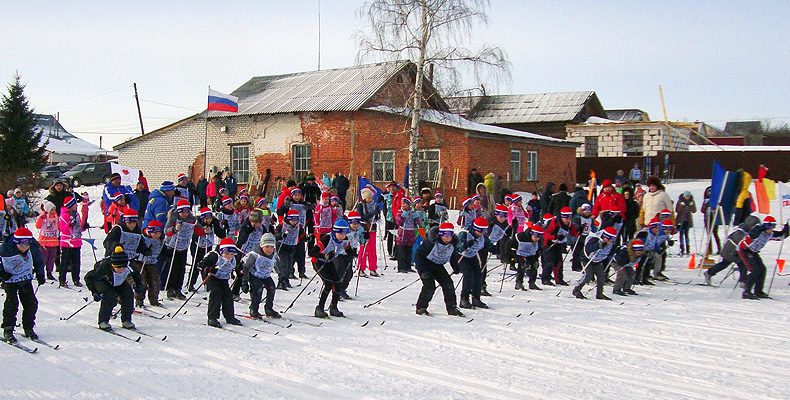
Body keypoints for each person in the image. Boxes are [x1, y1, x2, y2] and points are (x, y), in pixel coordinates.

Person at [1, 228, 45, 343]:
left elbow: (39, 260)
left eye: (27, 244)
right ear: (16, 243)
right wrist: (2, 273)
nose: (25, 247)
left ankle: (28, 327)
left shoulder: (32, 247)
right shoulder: (5, 248)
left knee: (31, 303)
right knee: (12, 303)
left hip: (25, 279)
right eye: (22, 244)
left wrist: (40, 273)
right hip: (10, 280)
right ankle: (8, 329)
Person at [85, 245, 145, 330]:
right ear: (113, 265)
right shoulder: (104, 267)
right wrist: (94, 291)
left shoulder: (129, 265)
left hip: (120, 281)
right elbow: (89, 277)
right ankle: (103, 321)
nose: (121, 269)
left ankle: (126, 320)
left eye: (123, 267)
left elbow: (136, 275)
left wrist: (138, 285)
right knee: (109, 296)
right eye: (118, 267)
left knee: (128, 294)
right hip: (104, 281)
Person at [414, 223, 465, 316]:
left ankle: (452, 308)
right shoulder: (430, 242)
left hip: (438, 265)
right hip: (425, 265)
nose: (447, 238)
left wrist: (456, 267)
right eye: (445, 236)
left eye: (449, 236)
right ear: (440, 235)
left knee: (448, 284)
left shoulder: (452, 244)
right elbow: (418, 256)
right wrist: (422, 270)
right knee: (429, 286)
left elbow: (453, 257)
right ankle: (421, 307)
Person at [734, 216, 788, 299]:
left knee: (762, 270)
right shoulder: (758, 231)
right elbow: (754, 233)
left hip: (753, 252)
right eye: (771, 227)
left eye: (774, 227)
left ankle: (758, 291)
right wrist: (762, 228)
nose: (772, 229)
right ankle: (746, 291)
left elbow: (781, 236)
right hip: (744, 250)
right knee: (755, 270)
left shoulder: (769, 233)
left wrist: (787, 229)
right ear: (766, 226)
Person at [310, 219, 353, 318]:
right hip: (318, 262)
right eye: (341, 233)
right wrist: (324, 256)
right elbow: (312, 252)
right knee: (328, 283)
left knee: (338, 283)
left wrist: (352, 254)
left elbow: (348, 249)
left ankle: (334, 307)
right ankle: (319, 308)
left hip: (329, 262)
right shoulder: (327, 239)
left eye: (345, 233)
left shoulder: (345, 240)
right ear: (335, 231)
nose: (343, 236)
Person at [199, 238, 243, 328]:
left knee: (228, 295)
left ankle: (229, 317)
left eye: (231, 254)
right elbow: (200, 266)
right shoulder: (214, 256)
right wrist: (209, 269)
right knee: (216, 292)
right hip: (212, 278)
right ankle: (212, 317)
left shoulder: (235, 258)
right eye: (226, 254)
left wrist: (239, 271)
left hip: (224, 279)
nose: (229, 256)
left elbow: (238, 266)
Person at [456, 217, 493, 309]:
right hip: (460, 256)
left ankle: (476, 298)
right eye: (480, 231)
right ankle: (464, 299)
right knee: (469, 274)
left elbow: (488, 245)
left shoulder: (483, 237)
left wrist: (495, 249)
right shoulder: (465, 234)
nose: (482, 233)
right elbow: (457, 246)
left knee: (478, 275)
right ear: (474, 229)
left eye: (484, 231)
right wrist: (465, 245)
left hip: (472, 257)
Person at [162, 200, 196, 300]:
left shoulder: (191, 219)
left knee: (181, 269)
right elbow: (166, 231)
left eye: (186, 212)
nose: (184, 214)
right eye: (182, 212)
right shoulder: (173, 218)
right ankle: (170, 288)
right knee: (172, 268)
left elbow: (197, 229)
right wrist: (174, 229)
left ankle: (178, 288)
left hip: (183, 246)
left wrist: (204, 230)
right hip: (172, 246)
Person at [242, 233, 281, 318]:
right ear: (262, 246)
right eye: (267, 247)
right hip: (254, 274)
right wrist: (244, 281)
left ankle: (269, 309)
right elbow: (246, 267)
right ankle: (254, 309)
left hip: (265, 275)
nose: (269, 250)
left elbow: (276, 265)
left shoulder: (273, 254)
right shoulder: (255, 254)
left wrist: (281, 274)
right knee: (258, 289)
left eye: (271, 247)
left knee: (271, 288)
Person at [572, 226, 617, 300]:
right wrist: (598, 246)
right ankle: (577, 290)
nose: (609, 241)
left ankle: (599, 294)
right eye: (608, 239)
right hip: (587, 259)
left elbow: (609, 253)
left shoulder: (610, 243)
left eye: (611, 239)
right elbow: (588, 249)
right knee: (588, 275)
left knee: (601, 276)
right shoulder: (595, 238)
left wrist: (615, 251)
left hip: (597, 261)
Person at [187, 208, 225, 292]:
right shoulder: (198, 222)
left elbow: (221, 234)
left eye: (209, 218)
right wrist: (203, 230)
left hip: (208, 246)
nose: (207, 220)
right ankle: (190, 283)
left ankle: (207, 283)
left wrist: (223, 227)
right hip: (197, 246)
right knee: (196, 265)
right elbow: (195, 235)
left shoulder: (214, 223)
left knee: (207, 265)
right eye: (206, 218)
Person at [541, 206, 577, 286]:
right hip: (548, 244)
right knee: (549, 261)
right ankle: (545, 279)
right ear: (562, 217)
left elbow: (574, 233)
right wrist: (555, 237)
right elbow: (545, 233)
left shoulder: (570, 224)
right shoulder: (554, 222)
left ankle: (559, 279)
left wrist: (580, 230)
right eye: (566, 218)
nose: (568, 220)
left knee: (559, 262)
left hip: (558, 244)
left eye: (569, 218)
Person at [355, 187, 381, 277]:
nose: (370, 199)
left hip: (372, 228)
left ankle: (373, 268)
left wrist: (377, 214)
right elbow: (361, 217)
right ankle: (361, 268)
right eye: (368, 198)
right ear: (364, 198)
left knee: (372, 249)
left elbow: (376, 217)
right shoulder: (361, 205)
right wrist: (372, 213)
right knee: (364, 248)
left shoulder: (374, 204)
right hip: (364, 229)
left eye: (371, 197)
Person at [137, 221, 164, 306]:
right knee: (142, 281)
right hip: (140, 261)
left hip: (151, 262)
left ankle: (154, 299)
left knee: (155, 280)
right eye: (154, 233)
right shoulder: (143, 238)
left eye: (158, 233)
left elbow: (162, 248)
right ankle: (139, 299)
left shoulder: (160, 239)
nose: (156, 235)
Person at [58, 196, 83, 287]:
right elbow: (62, 229)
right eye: (74, 204)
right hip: (67, 242)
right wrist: (69, 225)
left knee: (76, 262)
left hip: (77, 241)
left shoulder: (77, 214)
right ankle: (62, 279)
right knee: (65, 262)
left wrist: (83, 226)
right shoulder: (64, 215)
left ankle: (76, 279)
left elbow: (78, 227)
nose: (76, 205)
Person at [275, 209, 303, 290]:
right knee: (283, 265)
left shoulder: (298, 226)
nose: (294, 222)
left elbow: (301, 234)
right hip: (282, 246)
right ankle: (281, 281)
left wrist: (306, 238)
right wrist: (281, 235)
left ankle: (286, 280)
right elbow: (275, 235)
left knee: (289, 266)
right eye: (292, 220)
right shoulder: (282, 225)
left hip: (291, 247)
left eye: (296, 220)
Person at [512, 225, 543, 291]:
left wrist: (537, 256)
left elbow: (539, 249)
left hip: (531, 254)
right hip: (520, 254)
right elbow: (510, 246)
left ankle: (532, 283)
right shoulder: (521, 237)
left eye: (539, 237)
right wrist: (512, 258)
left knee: (535, 266)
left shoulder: (538, 241)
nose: (537, 239)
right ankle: (519, 283)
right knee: (522, 266)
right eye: (535, 237)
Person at [35, 201, 59, 281]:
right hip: (44, 242)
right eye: (51, 209)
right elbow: (37, 226)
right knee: (43, 258)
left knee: (51, 258)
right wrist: (41, 217)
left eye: (54, 209)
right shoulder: (43, 217)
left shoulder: (56, 217)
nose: (53, 211)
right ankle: (40, 272)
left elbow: (59, 226)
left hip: (54, 241)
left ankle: (49, 272)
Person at [395, 197, 420, 273]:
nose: (403, 205)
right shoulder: (400, 212)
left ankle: (408, 266)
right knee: (402, 251)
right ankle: (401, 267)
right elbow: (398, 222)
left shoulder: (412, 212)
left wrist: (416, 217)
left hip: (410, 234)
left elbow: (417, 223)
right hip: (402, 234)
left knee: (409, 251)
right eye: (402, 203)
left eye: (405, 203)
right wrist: (402, 216)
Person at [675, 191, 697, 256]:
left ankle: (688, 248)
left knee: (686, 235)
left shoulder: (691, 201)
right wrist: (682, 206)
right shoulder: (680, 201)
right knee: (681, 234)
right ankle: (682, 248)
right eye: (686, 196)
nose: (687, 197)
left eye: (688, 196)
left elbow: (694, 210)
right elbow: (677, 210)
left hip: (688, 221)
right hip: (680, 220)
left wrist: (691, 205)